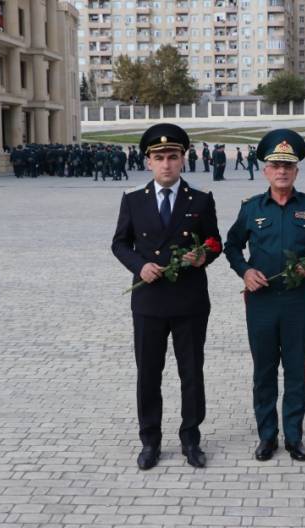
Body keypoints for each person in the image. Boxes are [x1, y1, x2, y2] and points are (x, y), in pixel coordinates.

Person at [111, 123, 222, 470]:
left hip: (189, 301)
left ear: (183, 159)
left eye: (173, 157)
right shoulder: (133, 200)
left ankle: (191, 439)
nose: (166, 164)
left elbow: (215, 242)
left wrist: (202, 256)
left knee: (191, 373)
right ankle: (150, 440)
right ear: (148, 162)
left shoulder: (201, 200)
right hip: (149, 302)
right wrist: (140, 266)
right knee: (148, 374)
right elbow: (119, 243)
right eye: (159, 158)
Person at [225, 129, 305, 462]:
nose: (282, 171)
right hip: (260, 301)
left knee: (295, 370)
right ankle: (266, 436)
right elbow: (231, 245)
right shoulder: (251, 208)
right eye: (275, 165)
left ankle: (294, 437)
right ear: (265, 171)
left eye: (288, 165)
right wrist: (244, 271)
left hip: (298, 301)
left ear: (297, 171)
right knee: (263, 370)